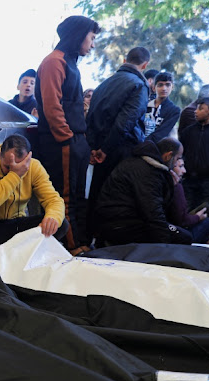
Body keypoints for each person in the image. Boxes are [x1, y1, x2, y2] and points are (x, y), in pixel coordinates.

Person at [35, 15, 100, 250]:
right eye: (92, 38)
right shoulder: (54, 61)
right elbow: (52, 106)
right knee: (66, 199)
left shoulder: (69, 62)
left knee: (78, 197)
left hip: (75, 140)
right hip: (62, 142)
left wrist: (82, 142)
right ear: (79, 35)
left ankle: (80, 243)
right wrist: (68, 138)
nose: (93, 44)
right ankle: (72, 247)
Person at [85, 46, 151, 240]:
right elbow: (127, 121)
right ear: (145, 65)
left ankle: (89, 239)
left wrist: (94, 147)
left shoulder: (105, 83)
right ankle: (111, 243)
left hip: (99, 149)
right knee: (118, 199)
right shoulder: (139, 85)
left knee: (97, 194)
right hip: (121, 148)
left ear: (124, 60)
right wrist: (106, 148)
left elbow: (90, 118)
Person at [0, 134, 68, 249]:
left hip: (15, 224)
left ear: (28, 158)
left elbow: (53, 200)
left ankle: (27, 258)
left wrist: (52, 217)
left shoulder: (34, 167)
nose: (14, 169)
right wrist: (15, 175)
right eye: (8, 167)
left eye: (20, 166)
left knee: (59, 223)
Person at [95, 138, 191, 245]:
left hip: (118, 221)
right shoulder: (149, 172)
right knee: (184, 237)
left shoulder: (139, 163)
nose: (175, 164)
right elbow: (153, 211)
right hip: (122, 224)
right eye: (177, 158)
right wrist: (164, 246)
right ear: (168, 155)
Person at [180, 96, 209, 212]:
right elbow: (181, 151)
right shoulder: (188, 131)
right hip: (188, 179)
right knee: (186, 210)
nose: (195, 111)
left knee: (205, 211)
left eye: (200, 109)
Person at [166, 152, 209, 244]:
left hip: (175, 232)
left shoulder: (164, 184)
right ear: (171, 169)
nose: (184, 170)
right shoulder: (176, 187)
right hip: (180, 236)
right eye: (180, 167)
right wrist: (197, 217)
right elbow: (182, 221)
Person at [144, 72, 180, 143]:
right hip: (138, 144)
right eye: (160, 85)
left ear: (172, 87)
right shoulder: (145, 105)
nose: (164, 88)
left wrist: (144, 142)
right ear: (154, 88)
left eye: (168, 85)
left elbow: (161, 133)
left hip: (158, 149)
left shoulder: (174, 110)